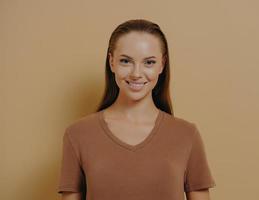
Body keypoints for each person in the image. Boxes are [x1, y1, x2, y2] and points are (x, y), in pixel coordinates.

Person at [57, 19, 216, 200]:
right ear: (112, 62)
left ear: (162, 65)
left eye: (149, 62)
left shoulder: (187, 135)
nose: (136, 73)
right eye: (126, 61)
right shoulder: (78, 134)